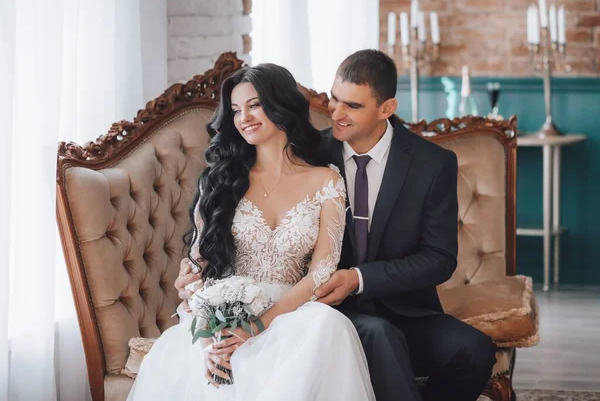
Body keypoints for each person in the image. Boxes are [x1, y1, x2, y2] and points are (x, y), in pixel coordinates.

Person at [128, 64, 375, 400]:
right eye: (235, 110)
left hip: (291, 314)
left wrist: (256, 327)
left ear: (281, 106)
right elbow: (200, 276)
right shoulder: (219, 183)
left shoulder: (327, 181)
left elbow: (319, 274)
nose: (243, 117)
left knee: (330, 327)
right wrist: (211, 338)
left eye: (254, 105)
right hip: (224, 320)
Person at [313, 49, 497, 401]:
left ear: (386, 109)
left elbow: (439, 258)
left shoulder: (433, 163)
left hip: (406, 311)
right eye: (334, 99)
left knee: (474, 352)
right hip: (330, 313)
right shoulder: (311, 153)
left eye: (352, 106)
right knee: (379, 335)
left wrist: (360, 278)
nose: (335, 113)